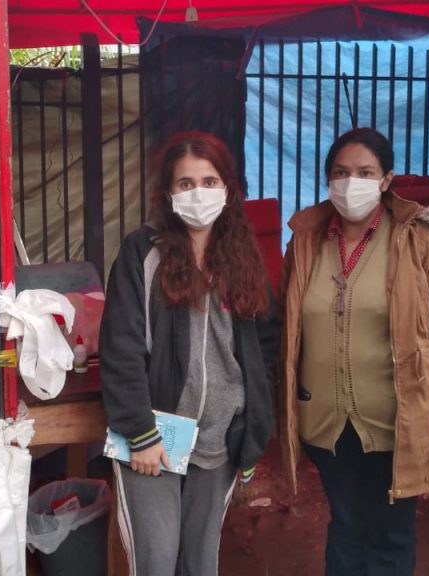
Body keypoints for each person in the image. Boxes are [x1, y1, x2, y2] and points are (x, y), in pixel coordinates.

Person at [277, 128, 429, 575]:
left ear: (386, 179)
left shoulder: (420, 239)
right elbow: (285, 322)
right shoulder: (307, 239)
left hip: (398, 419)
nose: (352, 182)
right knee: (346, 525)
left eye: (365, 172)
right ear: (328, 179)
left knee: (391, 533)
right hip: (325, 420)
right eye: (341, 172)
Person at [100, 131, 278, 576]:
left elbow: (265, 343)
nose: (198, 192)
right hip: (153, 439)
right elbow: (120, 345)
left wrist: (250, 420)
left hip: (218, 437)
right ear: (168, 193)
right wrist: (139, 431)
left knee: (200, 563)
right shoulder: (143, 253)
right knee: (157, 560)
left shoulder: (242, 255)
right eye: (185, 183)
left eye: (210, 181)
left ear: (228, 190)